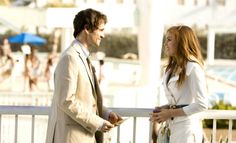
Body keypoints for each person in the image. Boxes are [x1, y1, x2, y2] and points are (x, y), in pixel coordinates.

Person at [45, 8, 122, 143]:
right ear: (87, 28)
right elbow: (67, 101)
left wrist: (106, 114)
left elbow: (86, 100)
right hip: (70, 138)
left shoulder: (81, 57)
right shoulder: (70, 58)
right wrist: (98, 122)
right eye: (101, 30)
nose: (103, 35)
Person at [150, 25, 208, 143]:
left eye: (169, 39)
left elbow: (202, 104)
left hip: (187, 130)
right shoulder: (172, 67)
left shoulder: (193, 67)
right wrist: (165, 108)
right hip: (172, 129)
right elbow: (181, 100)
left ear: (181, 42)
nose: (165, 43)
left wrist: (170, 113)